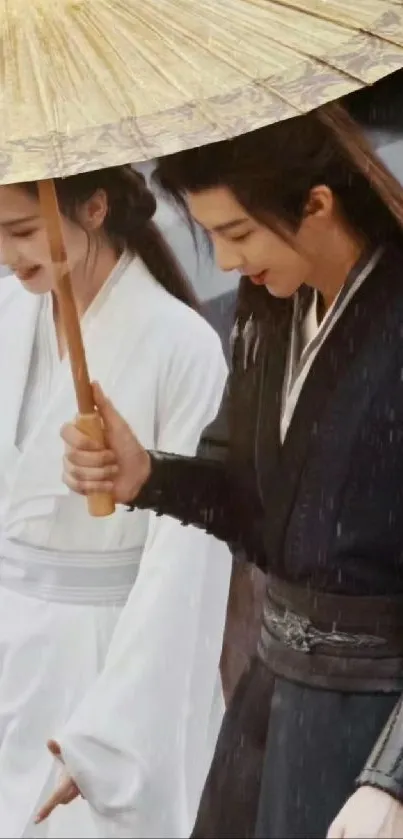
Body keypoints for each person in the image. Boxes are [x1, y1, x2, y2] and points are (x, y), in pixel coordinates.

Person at [60, 101, 403, 839]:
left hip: (373, 713)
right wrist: (145, 475)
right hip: (271, 702)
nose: (223, 263)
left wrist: (392, 774)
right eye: (211, 234)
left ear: (316, 204)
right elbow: (247, 502)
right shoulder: (269, 304)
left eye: (237, 233)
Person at [0, 165, 232, 837]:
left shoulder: (182, 346)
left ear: (94, 207)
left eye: (20, 230)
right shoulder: (7, 313)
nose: (9, 257)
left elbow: (184, 563)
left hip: (106, 653)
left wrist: (112, 732)